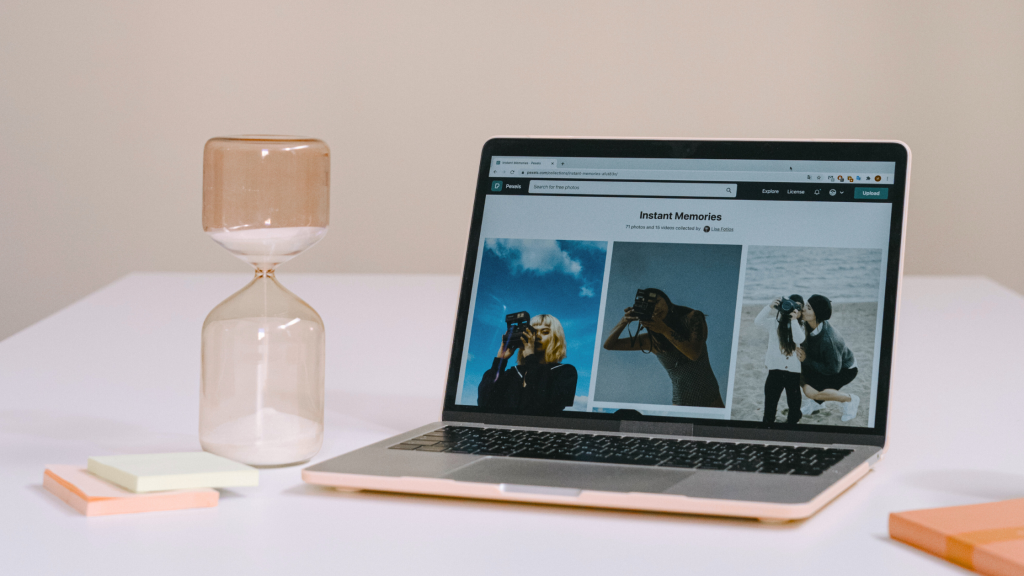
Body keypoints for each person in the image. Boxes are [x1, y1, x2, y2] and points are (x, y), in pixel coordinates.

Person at [603, 288, 724, 408]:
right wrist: (624, 321)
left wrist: (664, 329)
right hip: (681, 402)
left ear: (666, 300)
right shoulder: (652, 340)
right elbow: (609, 345)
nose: (655, 308)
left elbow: (693, 354)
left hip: (713, 400)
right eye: (649, 307)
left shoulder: (692, 318)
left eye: (656, 302)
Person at [478, 314, 578, 415]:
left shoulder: (565, 372)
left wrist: (531, 358)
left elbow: (544, 405)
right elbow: (484, 403)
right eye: (532, 332)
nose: (537, 336)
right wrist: (500, 360)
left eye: (545, 332)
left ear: (556, 338)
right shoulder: (513, 373)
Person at [796, 294, 861, 422]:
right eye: (805, 305)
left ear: (817, 314)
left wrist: (806, 360)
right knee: (796, 373)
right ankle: (816, 404)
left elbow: (833, 369)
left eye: (808, 308)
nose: (803, 310)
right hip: (823, 362)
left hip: (844, 369)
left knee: (811, 391)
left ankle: (850, 399)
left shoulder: (829, 340)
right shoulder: (808, 325)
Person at [754, 295, 805, 424]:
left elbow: (799, 339)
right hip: (775, 372)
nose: (794, 310)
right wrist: (770, 306)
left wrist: (793, 321)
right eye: (791, 305)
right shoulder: (774, 323)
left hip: (793, 373)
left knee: (794, 409)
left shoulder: (801, 327)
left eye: (798, 307)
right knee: (769, 409)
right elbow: (757, 321)